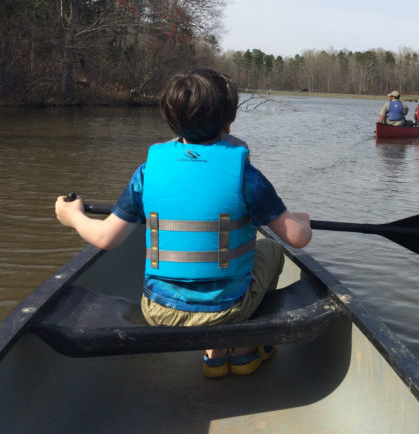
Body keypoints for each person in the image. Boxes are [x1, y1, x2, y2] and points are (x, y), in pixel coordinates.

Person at [55, 68, 312, 379]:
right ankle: (245, 351)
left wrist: (74, 217)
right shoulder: (245, 175)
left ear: (170, 119)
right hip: (226, 312)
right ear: (228, 121)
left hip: (158, 311)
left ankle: (214, 355)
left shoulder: (148, 172)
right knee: (270, 248)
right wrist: (303, 221)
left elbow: (106, 238)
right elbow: (296, 238)